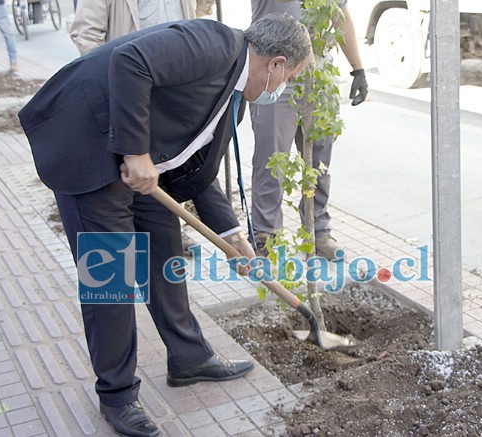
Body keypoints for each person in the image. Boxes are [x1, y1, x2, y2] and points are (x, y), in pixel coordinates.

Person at [19, 14, 312, 437]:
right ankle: (117, 395)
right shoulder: (214, 43)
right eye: (290, 78)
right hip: (88, 144)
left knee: (165, 255)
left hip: (144, 166)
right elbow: (130, 59)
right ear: (276, 64)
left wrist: (232, 237)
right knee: (111, 277)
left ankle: (189, 357)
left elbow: (195, 170)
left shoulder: (232, 95)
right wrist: (136, 151)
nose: (281, 90)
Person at [70, 0, 216, 256]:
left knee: (158, 181)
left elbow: (199, 17)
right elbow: (86, 34)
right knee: (123, 186)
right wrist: (117, 88)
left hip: (169, 96)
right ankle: (122, 245)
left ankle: (165, 239)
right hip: (125, 96)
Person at [249, 0, 368, 260]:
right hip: (274, 71)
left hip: (319, 75)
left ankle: (318, 232)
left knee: (318, 163)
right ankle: (265, 237)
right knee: (272, 161)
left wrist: (358, 68)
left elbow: (340, 15)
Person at [70, 0, 214, 55]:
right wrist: (111, 78)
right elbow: (86, 33)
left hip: (183, 71)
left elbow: (200, 8)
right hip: (136, 80)